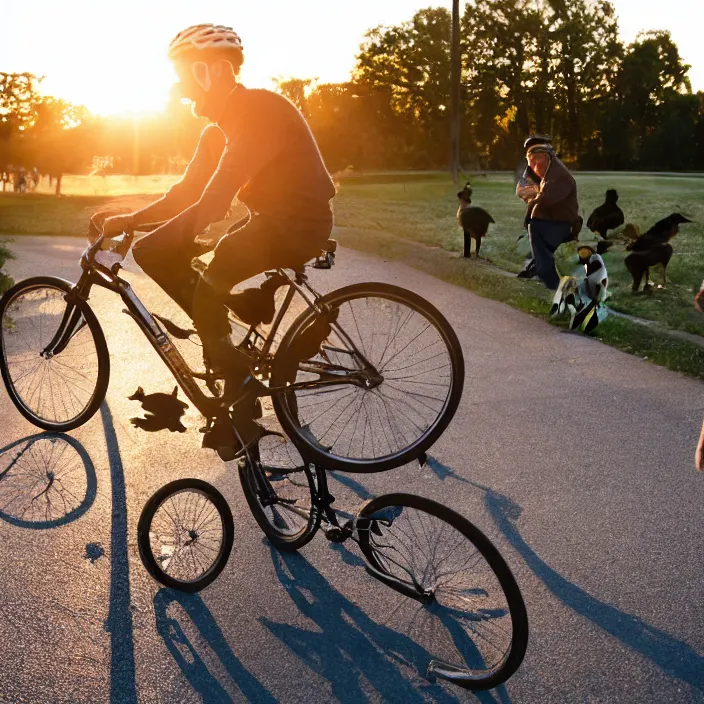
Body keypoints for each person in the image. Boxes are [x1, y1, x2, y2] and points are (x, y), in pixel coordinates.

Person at [94, 24, 336, 396]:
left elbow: (215, 200)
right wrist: (134, 220)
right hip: (270, 222)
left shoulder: (258, 112)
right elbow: (189, 191)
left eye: (185, 75)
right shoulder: (217, 131)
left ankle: (239, 384)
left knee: (213, 270)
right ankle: (237, 317)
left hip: (298, 225)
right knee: (154, 251)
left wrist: (167, 236)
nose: (180, 90)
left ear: (217, 71)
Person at [523, 143, 579, 290]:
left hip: (558, 224)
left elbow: (546, 199)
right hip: (552, 222)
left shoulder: (559, 175)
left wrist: (531, 204)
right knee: (535, 229)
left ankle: (549, 279)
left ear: (547, 158)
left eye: (537, 161)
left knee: (535, 228)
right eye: (531, 162)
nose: (534, 166)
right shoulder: (552, 172)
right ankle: (540, 269)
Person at [516, 135, 552, 279]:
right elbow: (521, 190)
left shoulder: (551, 166)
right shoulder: (532, 169)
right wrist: (539, 193)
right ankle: (537, 265)